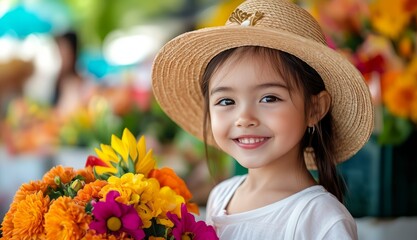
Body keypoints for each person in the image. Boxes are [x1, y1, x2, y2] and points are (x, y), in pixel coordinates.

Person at [151, 0, 374, 239]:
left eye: (269, 98)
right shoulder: (221, 196)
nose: (244, 119)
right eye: (226, 101)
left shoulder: (321, 219)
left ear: (314, 109)